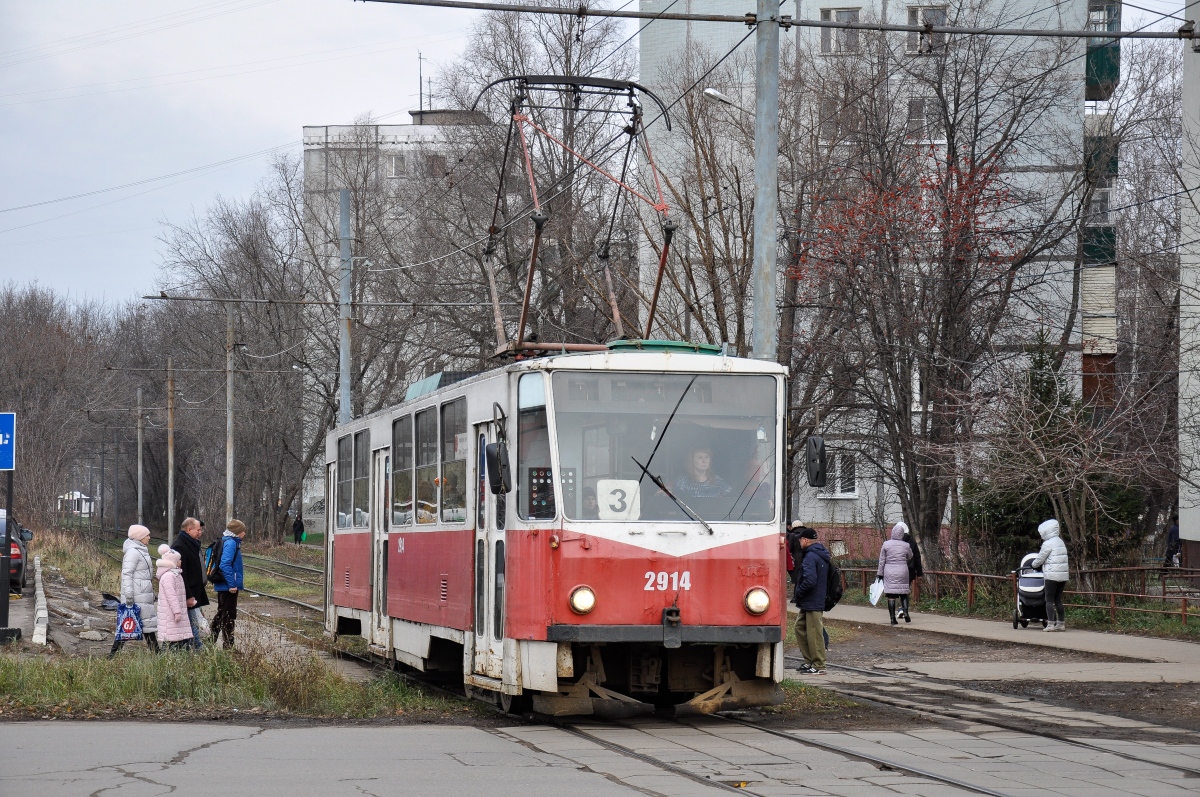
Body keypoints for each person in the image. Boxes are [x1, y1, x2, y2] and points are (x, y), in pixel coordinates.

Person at [109, 524, 159, 656]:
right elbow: (127, 574)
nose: (149, 537)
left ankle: (157, 653)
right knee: (130, 625)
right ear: (140, 537)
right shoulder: (133, 552)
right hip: (137, 596)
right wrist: (129, 596)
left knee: (144, 626)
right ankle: (112, 655)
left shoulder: (141, 550)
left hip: (142, 594)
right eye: (147, 535)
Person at [792, 527, 830, 675]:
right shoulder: (819, 554)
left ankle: (819, 665)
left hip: (812, 599)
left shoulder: (810, 557)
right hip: (812, 600)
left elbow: (810, 580)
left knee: (814, 632)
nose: (799, 542)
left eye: (800, 540)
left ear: (806, 540)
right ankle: (809, 661)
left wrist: (798, 593)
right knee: (800, 628)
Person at [172, 517, 209, 650]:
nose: (201, 532)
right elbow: (182, 574)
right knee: (191, 622)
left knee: (193, 621)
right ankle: (197, 647)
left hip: (193, 591)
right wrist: (188, 595)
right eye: (198, 529)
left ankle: (195, 647)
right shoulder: (180, 546)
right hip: (189, 593)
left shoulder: (192, 543)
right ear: (189, 529)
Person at [211, 519, 247, 649]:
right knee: (228, 615)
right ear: (238, 532)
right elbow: (225, 564)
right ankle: (228, 645)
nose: (244, 533)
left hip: (225, 585)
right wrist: (232, 584)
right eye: (243, 531)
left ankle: (211, 640)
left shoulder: (227, 541)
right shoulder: (231, 543)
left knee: (222, 613)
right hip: (228, 586)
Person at [1032, 518, 1069, 631]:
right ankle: (1061, 623)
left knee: (1048, 599)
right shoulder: (1060, 541)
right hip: (1063, 576)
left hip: (1052, 576)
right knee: (1058, 599)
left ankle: (1050, 624)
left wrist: (1033, 565)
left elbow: (1040, 559)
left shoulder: (1047, 544)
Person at [155, 545, 194, 651]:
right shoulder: (169, 576)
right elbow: (171, 596)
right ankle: (167, 658)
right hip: (171, 614)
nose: (181, 561)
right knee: (171, 639)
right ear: (173, 562)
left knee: (177, 637)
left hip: (177, 612)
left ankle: (177, 658)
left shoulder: (175, 574)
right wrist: (177, 611)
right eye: (179, 560)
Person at [878, 522, 914, 625]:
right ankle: (906, 612)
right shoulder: (906, 545)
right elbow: (910, 556)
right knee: (904, 593)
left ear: (892, 532)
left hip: (889, 571)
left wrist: (880, 573)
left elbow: (882, 560)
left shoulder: (886, 544)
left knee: (891, 595)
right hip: (903, 570)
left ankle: (893, 618)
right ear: (902, 534)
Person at [900, 530, 924, 620]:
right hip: (909, 570)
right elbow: (917, 557)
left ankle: (899, 609)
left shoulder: (892, 543)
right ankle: (904, 609)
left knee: (895, 590)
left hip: (895, 571)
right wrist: (919, 573)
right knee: (905, 589)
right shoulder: (912, 542)